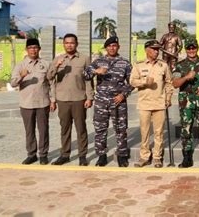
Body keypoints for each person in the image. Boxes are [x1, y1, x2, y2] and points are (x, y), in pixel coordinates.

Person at [83, 36, 133, 167]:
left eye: (114, 45)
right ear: (106, 48)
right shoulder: (98, 61)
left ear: (118, 47)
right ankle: (102, 155)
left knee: (121, 129)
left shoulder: (125, 63)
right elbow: (85, 75)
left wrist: (123, 95)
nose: (112, 48)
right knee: (100, 129)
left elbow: (132, 81)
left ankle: (122, 155)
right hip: (101, 101)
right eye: (109, 46)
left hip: (118, 101)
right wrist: (95, 71)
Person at [47, 33, 94, 166]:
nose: (69, 45)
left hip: (79, 99)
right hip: (63, 99)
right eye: (66, 43)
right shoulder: (58, 59)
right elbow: (49, 77)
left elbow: (89, 79)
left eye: (72, 43)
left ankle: (82, 155)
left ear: (76, 44)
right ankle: (65, 154)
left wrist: (89, 97)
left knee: (81, 128)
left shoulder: (84, 59)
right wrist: (56, 66)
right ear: (63, 44)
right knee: (65, 129)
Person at [10, 38, 56, 165]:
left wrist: (53, 100)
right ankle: (31, 154)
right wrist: (22, 75)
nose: (33, 50)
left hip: (43, 103)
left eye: (35, 47)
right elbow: (13, 83)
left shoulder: (46, 64)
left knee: (43, 130)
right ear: (26, 50)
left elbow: (52, 83)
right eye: (30, 48)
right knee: (29, 130)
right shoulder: (20, 65)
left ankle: (43, 154)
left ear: (39, 49)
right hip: (26, 104)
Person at [172, 38, 199, 168]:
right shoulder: (180, 65)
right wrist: (186, 77)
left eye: (194, 48)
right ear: (186, 49)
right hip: (186, 103)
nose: (191, 50)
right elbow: (175, 84)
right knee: (186, 130)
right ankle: (187, 158)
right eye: (189, 48)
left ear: (197, 48)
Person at [130, 40, 173, 168]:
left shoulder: (163, 65)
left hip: (159, 103)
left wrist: (168, 97)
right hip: (144, 104)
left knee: (159, 132)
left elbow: (169, 82)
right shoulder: (138, 65)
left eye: (157, 49)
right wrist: (144, 82)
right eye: (153, 49)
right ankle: (144, 157)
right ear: (146, 49)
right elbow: (132, 81)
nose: (156, 51)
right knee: (145, 132)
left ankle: (157, 157)